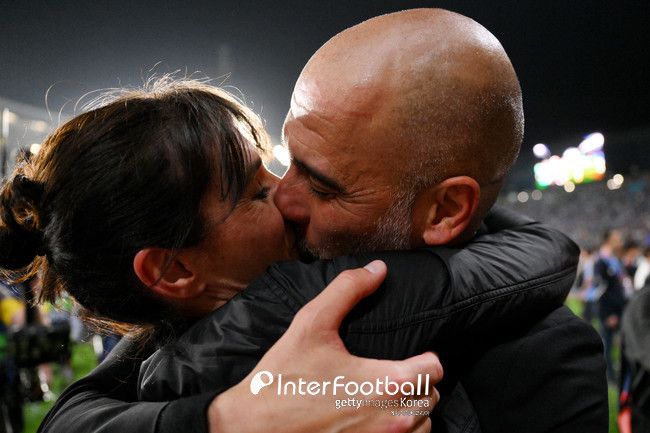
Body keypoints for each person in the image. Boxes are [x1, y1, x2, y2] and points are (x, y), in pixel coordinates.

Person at [139, 8, 607, 433]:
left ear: (444, 210)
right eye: (291, 161)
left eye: (324, 187)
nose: (282, 196)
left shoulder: (547, 363)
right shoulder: (235, 280)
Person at [0, 80, 441, 433]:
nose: (289, 192)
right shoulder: (343, 321)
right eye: (256, 192)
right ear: (173, 270)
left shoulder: (162, 361)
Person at [595, 229, 628, 382]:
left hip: (620, 310)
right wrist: (608, 313)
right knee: (607, 344)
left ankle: (618, 373)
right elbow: (600, 290)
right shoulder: (601, 261)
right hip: (609, 312)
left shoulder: (615, 260)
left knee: (622, 345)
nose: (620, 239)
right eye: (617, 237)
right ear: (608, 240)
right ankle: (609, 377)